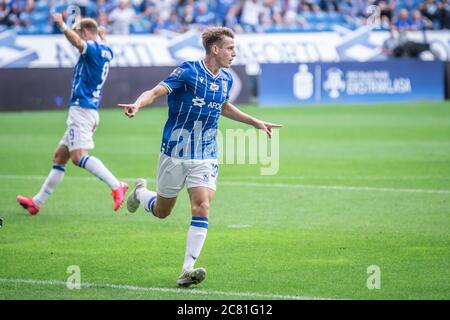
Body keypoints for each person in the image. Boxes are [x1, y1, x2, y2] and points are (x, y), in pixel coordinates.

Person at [119, 27, 281, 287]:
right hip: (175, 151)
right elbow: (155, 91)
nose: (234, 53)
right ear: (215, 49)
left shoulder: (226, 79)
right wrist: (138, 104)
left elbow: (223, 106)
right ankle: (140, 193)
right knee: (162, 211)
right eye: (230, 48)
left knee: (202, 204)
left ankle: (187, 269)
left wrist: (254, 122)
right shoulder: (188, 71)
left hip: (205, 151)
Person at [16, 14, 128, 215]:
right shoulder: (106, 49)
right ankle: (36, 203)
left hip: (82, 110)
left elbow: (78, 43)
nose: (76, 36)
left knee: (78, 157)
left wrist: (61, 25)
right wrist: (101, 34)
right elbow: (98, 38)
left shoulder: (92, 48)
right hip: (88, 110)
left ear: (85, 33)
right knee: (60, 156)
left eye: (78, 32)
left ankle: (116, 184)